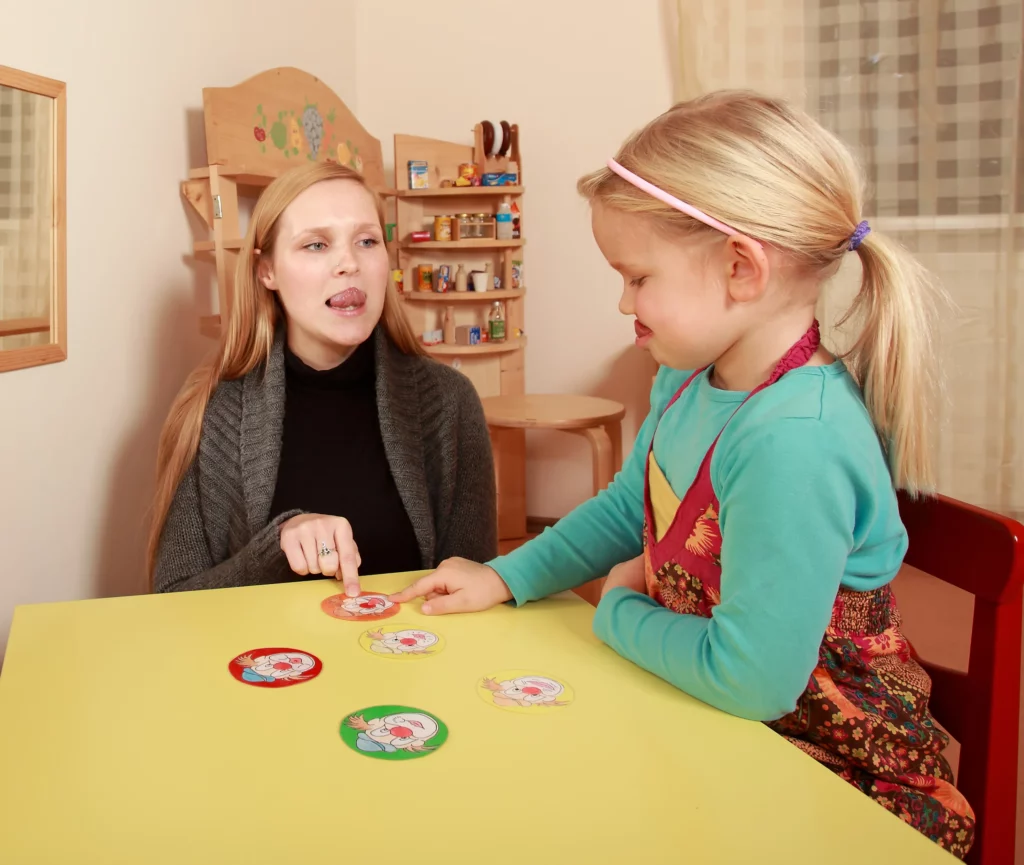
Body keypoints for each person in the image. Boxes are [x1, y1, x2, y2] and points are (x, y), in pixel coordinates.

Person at [392, 92, 974, 858]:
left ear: (740, 267)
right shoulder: (688, 376)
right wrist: (505, 578)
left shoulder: (794, 441)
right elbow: (627, 505)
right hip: (716, 716)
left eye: (637, 277)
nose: (623, 302)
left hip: (833, 772)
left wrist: (616, 610)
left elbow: (753, 682)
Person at [149, 162, 496, 595]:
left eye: (367, 241)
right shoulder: (211, 410)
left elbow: (474, 587)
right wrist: (276, 549)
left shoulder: (450, 402)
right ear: (266, 271)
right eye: (316, 245)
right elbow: (171, 599)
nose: (349, 263)